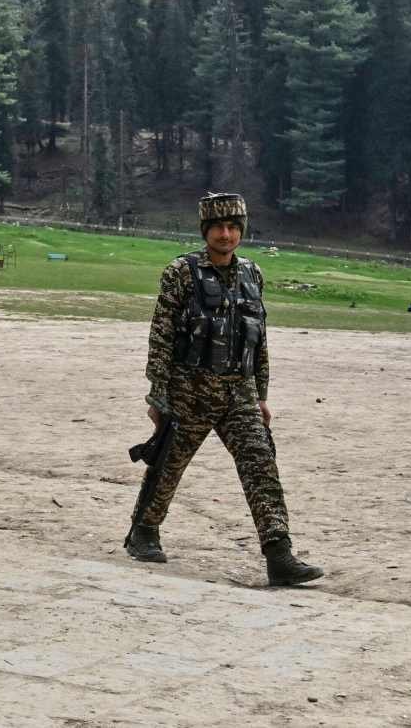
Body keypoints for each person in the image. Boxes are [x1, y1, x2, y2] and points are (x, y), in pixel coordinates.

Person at [125, 193, 324, 588]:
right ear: (205, 231)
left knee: (261, 465)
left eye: (234, 227)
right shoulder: (181, 272)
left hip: (240, 393)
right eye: (218, 227)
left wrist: (262, 394)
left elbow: (259, 340)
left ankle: (279, 554)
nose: (227, 234)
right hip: (190, 391)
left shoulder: (253, 274)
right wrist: (158, 395)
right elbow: (161, 335)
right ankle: (143, 532)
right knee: (168, 465)